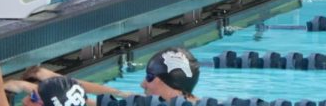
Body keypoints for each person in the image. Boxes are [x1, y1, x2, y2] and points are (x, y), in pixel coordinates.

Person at [25, 46, 200, 103]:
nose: (143, 83)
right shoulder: (188, 96)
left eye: (149, 77)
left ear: (170, 83)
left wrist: (33, 90)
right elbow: (114, 93)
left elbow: (82, 102)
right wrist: (54, 78)